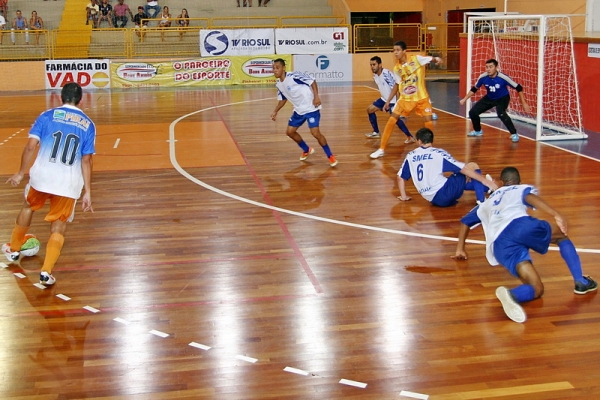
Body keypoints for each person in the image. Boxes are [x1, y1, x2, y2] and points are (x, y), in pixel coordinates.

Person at [453, 166, 597, 323]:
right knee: (561, 237)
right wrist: (557, 214)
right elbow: (528, 197)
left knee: (537, 289)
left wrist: (460, 249)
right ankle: (581, 282)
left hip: (500, 245)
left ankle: (511, 295)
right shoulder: (520, 188)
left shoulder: (489, 202)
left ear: (501, 182)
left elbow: (465, 221)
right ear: (518, 181)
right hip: (519, 226)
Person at [2, 83, 96, 286]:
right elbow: (86, 160)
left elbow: (30, 147)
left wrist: (20, 173)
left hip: (42, 177)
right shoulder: (88, 124)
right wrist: (88, 191)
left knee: (28, 206)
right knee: (58, 226)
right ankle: (46, 272)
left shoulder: (46, 115)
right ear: (81, 100)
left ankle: (15, 249)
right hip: (68, 183)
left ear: (60, 97)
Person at [370, 41, 442, 159]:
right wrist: (388, 101)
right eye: (394, 50)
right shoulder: (397, 69)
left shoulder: (416, 59)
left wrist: (437, 59)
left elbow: (430, 59)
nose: (395, 52)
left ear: (404, 51)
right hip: (405, 98)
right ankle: (381, 149)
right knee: (392, 119)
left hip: (421, 97)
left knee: (428, 121)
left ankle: (428, 148)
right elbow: (397, 85)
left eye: (398, 50)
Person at [397, 127, 497, 207]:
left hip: (433, 200)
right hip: (445, 192)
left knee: (457, 179)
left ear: (419, 141)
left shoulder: (410, 155)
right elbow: (463, 168)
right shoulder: (438, 153)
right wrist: (484, 180)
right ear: (432, 140)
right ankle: (481, 201)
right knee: (472, 166)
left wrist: (404, 196)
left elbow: (400, 178)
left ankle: (487, 189)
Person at [270, 58, 338, 167]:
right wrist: (275, 111)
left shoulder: (294, 76)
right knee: (290, 132)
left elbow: (312, 81)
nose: (275, 70)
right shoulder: (278, 84)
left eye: (277, 68)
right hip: (298, 110)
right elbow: (283, 99)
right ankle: (306, 149)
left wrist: (316, 97)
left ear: (283, 68)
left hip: (311, 108)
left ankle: (330, 155)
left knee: (315, 133)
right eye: (273, 68)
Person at [460, 58, 531, 143]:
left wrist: (524, 103)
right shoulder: (483, 77)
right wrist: (465, 99)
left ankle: (514, 133)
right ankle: (478, 131)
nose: (488, 69)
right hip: (490, 97)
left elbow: (519, 87)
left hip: (503, 98)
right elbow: (475, 89)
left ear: (496, 67)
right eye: (486, 67)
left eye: (490, 67)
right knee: (473, 112)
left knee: (501, 113)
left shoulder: (503, 78)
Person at [364, 56, 414, 144]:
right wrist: (384, 101)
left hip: (392, 100)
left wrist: (390, 102)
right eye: (371, 65)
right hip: (384, 99)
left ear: (380, 65)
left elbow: (396, 86)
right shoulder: (375, 76)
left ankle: (410, 136)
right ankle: (376, 132)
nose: (372, 67)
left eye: (374, 64)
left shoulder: (386, 74)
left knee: (395, 119)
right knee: (370, 109)